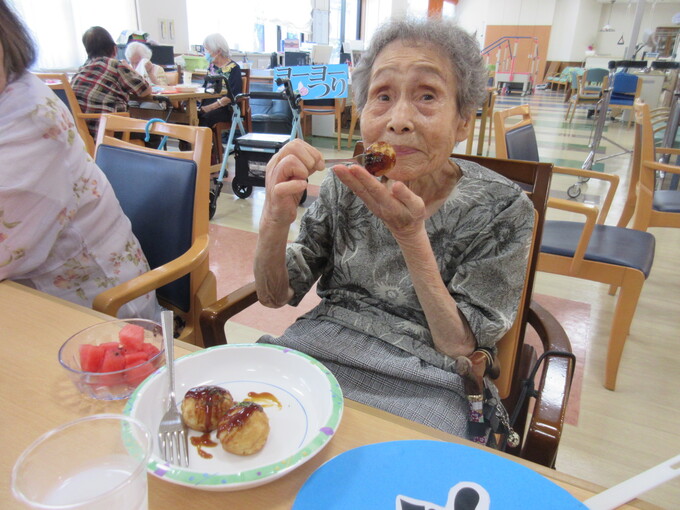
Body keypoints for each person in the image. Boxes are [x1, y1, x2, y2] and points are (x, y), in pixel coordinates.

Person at [254, 18, 534, 440]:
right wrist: (274, 222)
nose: (399, 119)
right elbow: (274, 296)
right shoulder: (342, 184)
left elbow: (459, 344)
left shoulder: (502, 208)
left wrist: (410, 236)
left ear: (463, 121)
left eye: (427, 95)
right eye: (382, 96)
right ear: (362, 111)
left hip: (430, 382)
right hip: (317, 352)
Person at [0, 1, 159, 321]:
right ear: (115, 49)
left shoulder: (74, 77)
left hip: (86, 132)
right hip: (97, 134)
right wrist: (149, 73)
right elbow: (147, 93)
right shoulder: (115, 67)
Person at [71, 26, 151, 137]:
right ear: (115, 49)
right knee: (151, 132)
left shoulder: (81, 69)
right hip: (108, 130)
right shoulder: (116, 65)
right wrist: (129, 68)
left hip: (83, 134)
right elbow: (145, 90)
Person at [198, 33, 242, 129]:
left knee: (203, 119)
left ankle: (203, 143)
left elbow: (233, 95)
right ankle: (188, 144)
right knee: (188, 117)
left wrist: (210, 107)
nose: (205, 53)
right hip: (207, 105)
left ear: (218, 51)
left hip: (225, 108)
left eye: (207, 50)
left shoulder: (234, 68)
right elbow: (204, 88)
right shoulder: (211, 67)